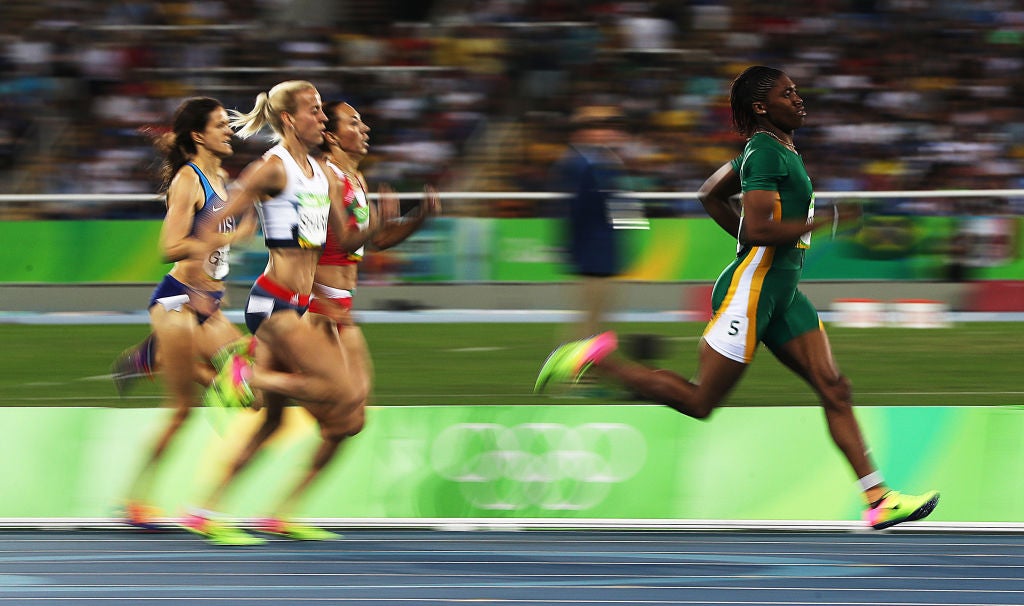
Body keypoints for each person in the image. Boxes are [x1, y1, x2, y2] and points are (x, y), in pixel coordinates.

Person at [535, 66, 939, 531]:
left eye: (796, 91)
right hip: (753, 292)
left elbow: (710, 195)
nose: (799, 99)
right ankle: (595, 359)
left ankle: (879, 499)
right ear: (761, 107)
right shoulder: (765, 152)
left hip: (783, 292)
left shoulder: (771, 149)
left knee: (834, 387)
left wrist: (754, 244)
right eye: (788, 94)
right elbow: (759, 229)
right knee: (700, 401)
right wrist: (823, 221)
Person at [182, 81, 397, 546]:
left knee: (275, 421)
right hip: (273, 301)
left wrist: (380, 222)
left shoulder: (319, 173)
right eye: (314, 111)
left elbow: (347, 239)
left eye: (321, 111)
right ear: (288, 119)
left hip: (299, 305)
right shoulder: (272, 167)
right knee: (337, 390)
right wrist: (200, 278)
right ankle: (241, 375)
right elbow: (213, 218)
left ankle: (203, 511)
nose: (321, 118)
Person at [113, 97, 256, 529]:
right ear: (198, 135)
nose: (229, 131)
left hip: (208, 304)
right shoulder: (188, 181)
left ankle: (150, 356)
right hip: (176, 301)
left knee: (247, 384)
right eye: (220, 125)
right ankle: (134, 499)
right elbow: (169, 247)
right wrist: (226, 240)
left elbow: (218, 241)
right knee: (183, 411)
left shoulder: (222, 178)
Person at [308, 100, 440, 424]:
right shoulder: (323, 177)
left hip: (343, 302)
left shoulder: (357, 179)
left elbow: (377, 241)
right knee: (343, 407)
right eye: (354, 123)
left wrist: (419, 218)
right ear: (332, 136)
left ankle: (261, 375)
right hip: (318, 305)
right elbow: (328, 242)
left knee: (356, 415)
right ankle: (256, 374)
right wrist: (377, 223)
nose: (365, 128)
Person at [552, 105, 633, 339]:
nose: (610, 133)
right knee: (591, 317)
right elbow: (575, 211)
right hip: (591, 253)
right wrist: (572, 250)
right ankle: (577, 359)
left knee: (597, 315)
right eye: (602, 127)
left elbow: (621, 205)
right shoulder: (579, 164)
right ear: (584, 132)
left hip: (604, 252)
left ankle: (587, 358)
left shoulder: (605, 162)